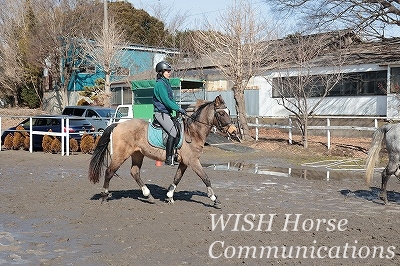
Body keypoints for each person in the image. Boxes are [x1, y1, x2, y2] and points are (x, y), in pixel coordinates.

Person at [153, 61, 187, 165]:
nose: (169, 73)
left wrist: (178, 108)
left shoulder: (166, 83)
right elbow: (166, 101)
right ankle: (168, 158)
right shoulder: (160, 84)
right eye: (167, 71)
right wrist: (177, 109)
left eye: (169, 71)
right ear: (161, 72)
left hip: (167, 113)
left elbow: (171, 100)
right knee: (173, 131)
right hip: (161, 113)